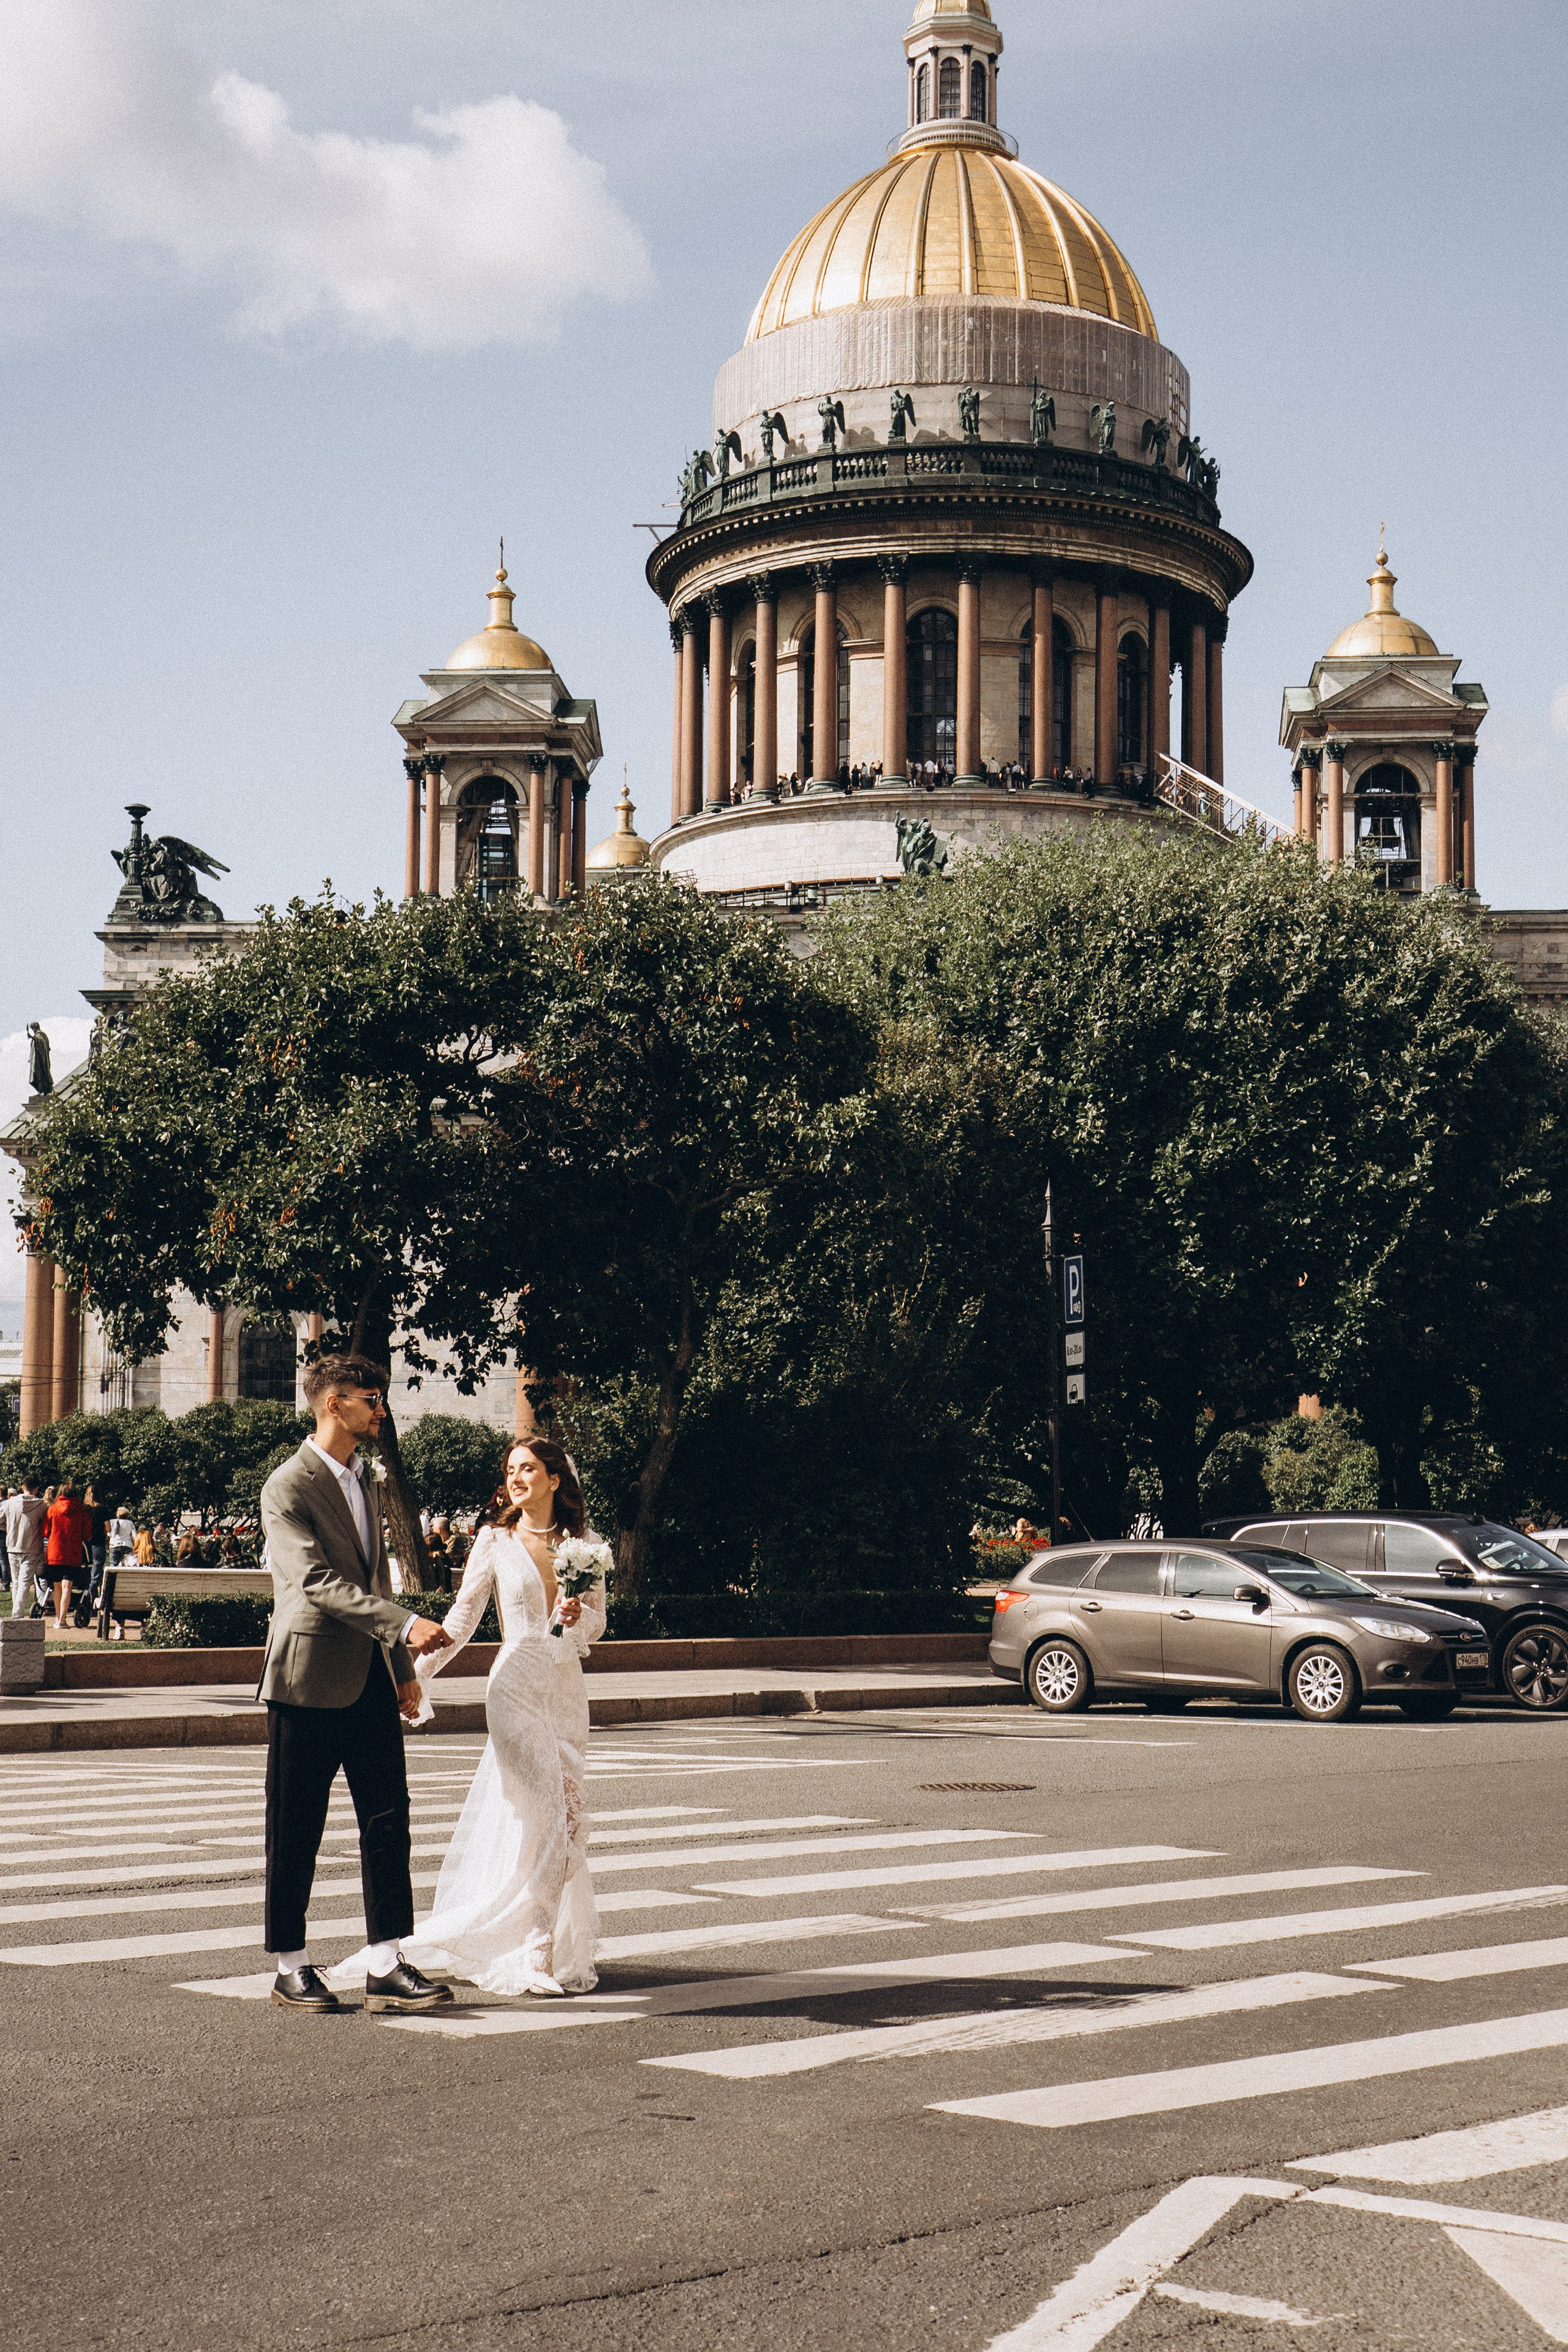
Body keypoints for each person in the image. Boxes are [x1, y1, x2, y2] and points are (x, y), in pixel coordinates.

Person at [257, 1354, 453, 2017]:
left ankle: (385, 1961)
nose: (382, 1409)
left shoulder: (367, 1479)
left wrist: (402, 1673)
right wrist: (404, 1625)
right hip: (305, 1680)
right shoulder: (287, 1485)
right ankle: (290, 1966)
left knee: (387, 1819)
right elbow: (312, 1582)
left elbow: (376, 1580)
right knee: (296, 1826)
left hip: (370, 1676)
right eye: (372, 1398)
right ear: (333, 1403)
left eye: (382, 1397)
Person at [393, 1436, 608, 1999]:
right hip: (513, 1689)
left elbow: (597, 1626)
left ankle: (530, 1938)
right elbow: (463, 1618)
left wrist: (575, 1615)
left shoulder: (585, 1546)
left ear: (554, 1479)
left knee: (562, 1821)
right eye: (511, 1469)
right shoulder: (493, 1540)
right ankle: (535, 1953)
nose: (516, 1478)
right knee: (553, 1814)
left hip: (564, 1690)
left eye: (528, 1469)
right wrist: (416, 1674)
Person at [44, 1481, 89, 1629]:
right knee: (67, 1587)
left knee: (57, 1587)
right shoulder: (82, 1511)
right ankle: (62, 1620)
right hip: (73, 1553)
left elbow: (45, 1531)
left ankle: (59, 1619)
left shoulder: (52, 1509)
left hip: (55, 1552)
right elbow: (87, 1534)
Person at [4, 1482, 47, 1620]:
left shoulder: (10, 1503)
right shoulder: (41, 1505)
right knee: (24, 1582)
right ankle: (17, 1613)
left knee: (16, 1582)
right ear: (36, 1490)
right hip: (31, 1547)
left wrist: (8, 1527)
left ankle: (16, 1613)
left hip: (13, 1547)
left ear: (23, 1488)